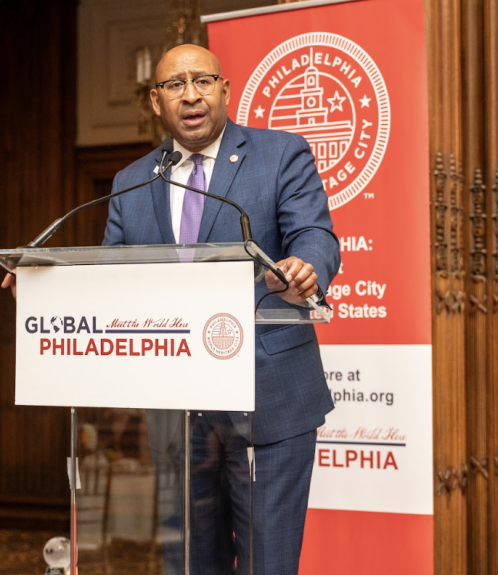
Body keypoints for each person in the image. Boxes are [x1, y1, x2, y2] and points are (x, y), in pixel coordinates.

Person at [101, 44, 340, 575]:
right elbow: (110, 278)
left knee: (267, 563)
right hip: (177, 408)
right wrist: (52, 291)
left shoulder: (280, 154)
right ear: (155, 101)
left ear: (224, 90)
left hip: (270, 396)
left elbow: (314, 233)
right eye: (174, 85)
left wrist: (305, 266)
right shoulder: (133, 182)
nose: (190, 95)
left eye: (203, 81)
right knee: (190, 562)